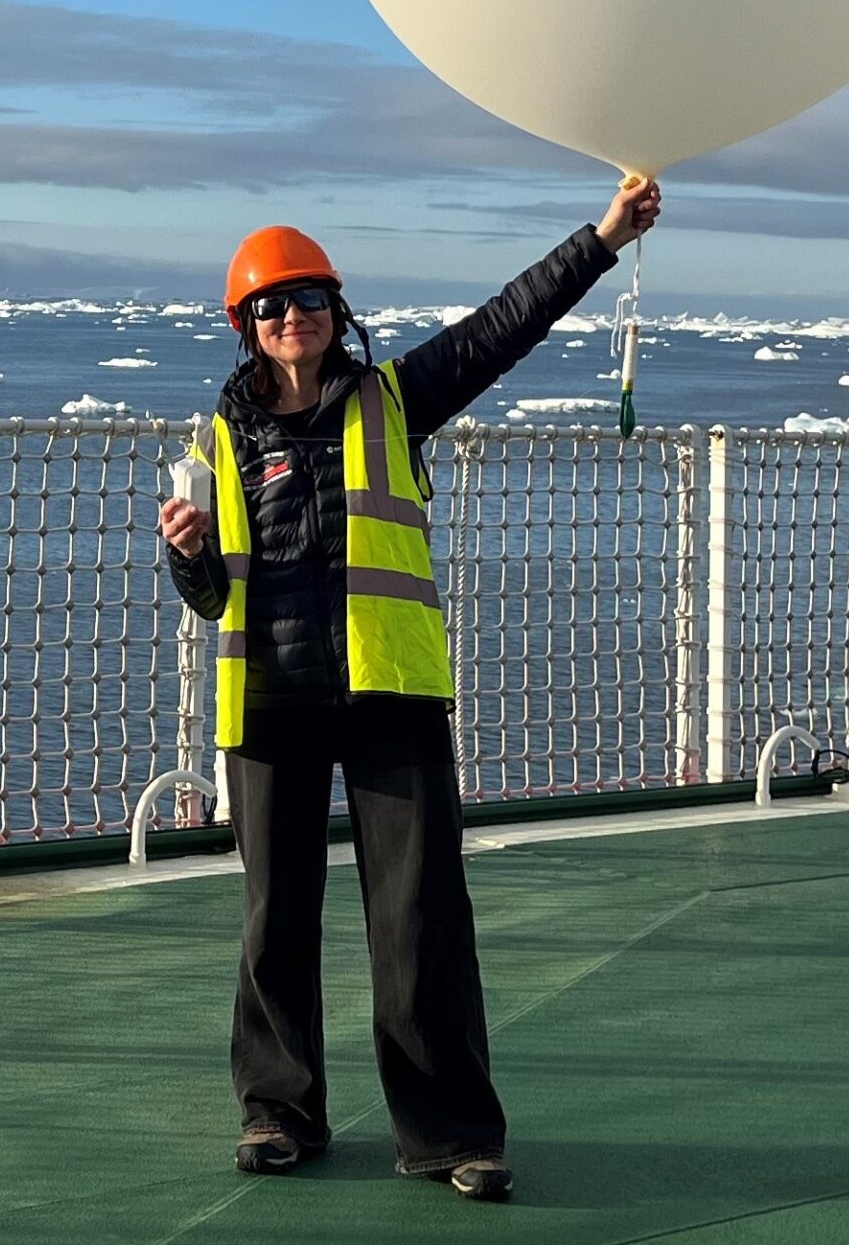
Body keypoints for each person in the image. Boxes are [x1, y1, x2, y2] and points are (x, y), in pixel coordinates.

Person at [158, 176, 662, 1203]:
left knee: (421, 920)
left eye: (308, 299)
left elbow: (500, 328)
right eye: (270, 304)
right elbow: (214, 598)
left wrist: (602, 238)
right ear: (244, 328)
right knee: (274, 920)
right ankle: (278, 1113)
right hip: (269, 707)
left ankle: (450, 1134)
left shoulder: (393, 399)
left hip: (391, 697)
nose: (290, 317)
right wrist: (186, 556)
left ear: (337, 313)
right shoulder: (215, 444)